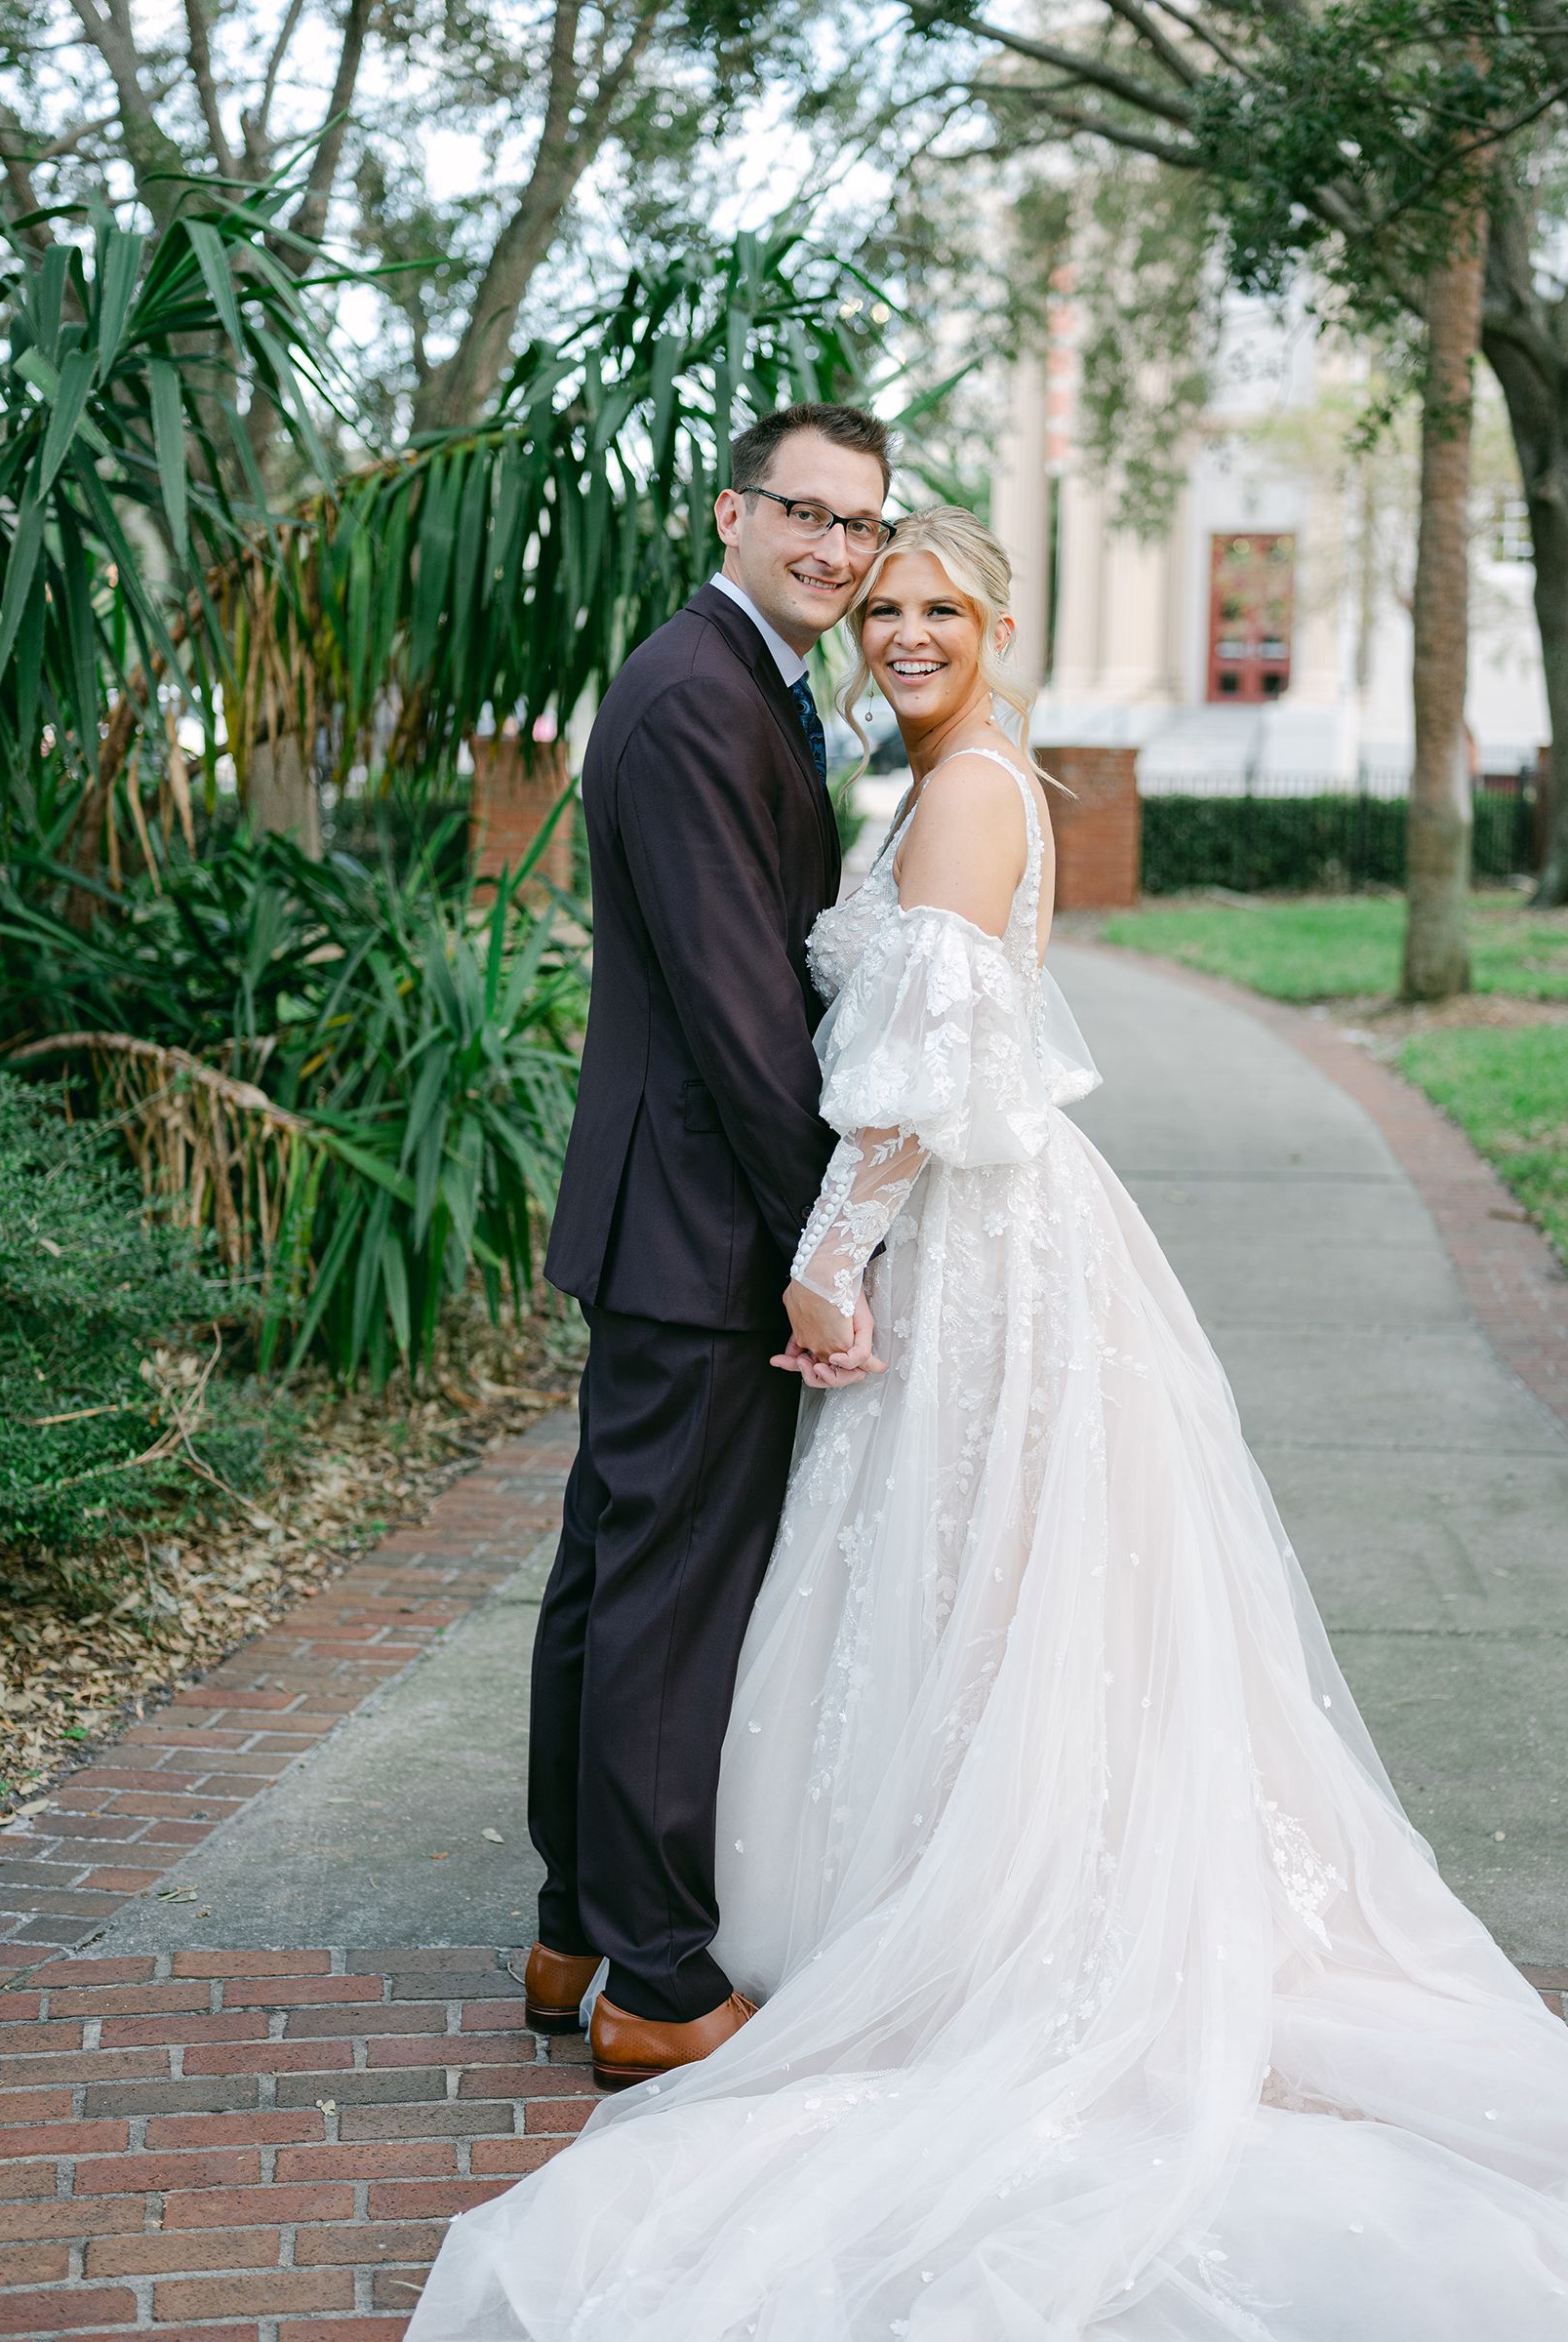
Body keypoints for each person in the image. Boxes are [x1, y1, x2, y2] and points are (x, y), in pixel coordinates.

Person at [423, 508, 1568, 2338]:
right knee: (965, 1576)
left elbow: (920, 1075)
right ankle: (909, 1880)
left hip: (972, 1238)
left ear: (1001, 622)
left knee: (978, 1570)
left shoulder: (970, 796)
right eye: (884, 608)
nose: (904, 632)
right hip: (970, 1229)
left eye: (940, 607)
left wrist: (826, 1263)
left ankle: (980, 1910)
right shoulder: (945, 781)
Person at [524, 403, 891, 2089]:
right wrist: (830, 1240)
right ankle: (660, 1980)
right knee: (669, 1598)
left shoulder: (743, 681)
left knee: (617, 1576)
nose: (836, 548)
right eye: (805, 512)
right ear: (732, 515)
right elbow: (746, 1018)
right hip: (702, 1222)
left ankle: (576, 1928)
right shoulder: (695, 695)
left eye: (861, 524)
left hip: (669, 1212)